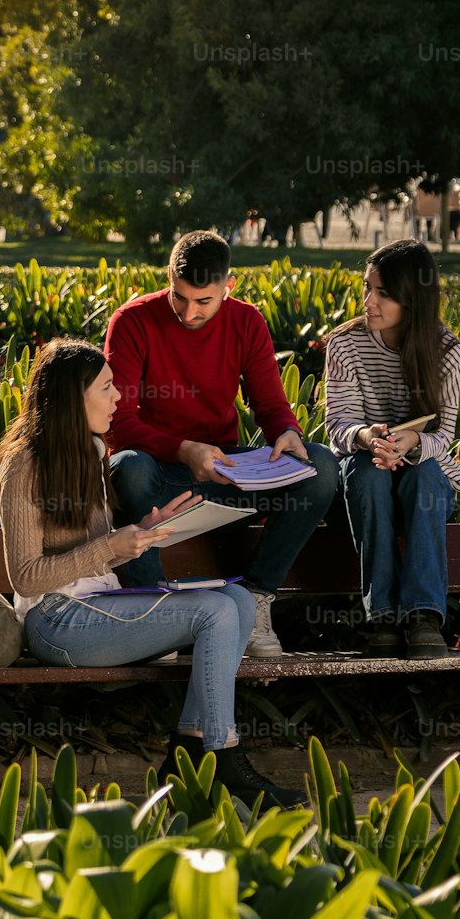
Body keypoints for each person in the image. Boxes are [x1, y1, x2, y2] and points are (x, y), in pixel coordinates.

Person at [0, 337, 305, 808]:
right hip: (54, 622)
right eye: (107, 388)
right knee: (216, 612)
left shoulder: (91, 451)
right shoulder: (23, 466)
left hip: (98, 606)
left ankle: (188, 752)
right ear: (74, 397)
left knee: (236, 601)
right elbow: (26, 579)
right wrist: (111, 545)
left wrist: (143, 533)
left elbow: (98, 556)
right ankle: (224, 759)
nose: (119, 398)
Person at [106, 229, 339, 657]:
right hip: (158, 477)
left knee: (321, 466)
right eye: (180, 297)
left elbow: (270, 406)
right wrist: (181, 449)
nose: (188, 312)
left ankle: (255, 598)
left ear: (228, 287)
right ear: (169, 279)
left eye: (203, 302)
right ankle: (153, 611)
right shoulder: (133, 320)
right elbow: (117, 424)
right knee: (128, 466)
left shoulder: (247, 321)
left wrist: (286, 431)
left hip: (223, 476)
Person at [324, 238, 460, 659]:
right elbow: (338, 426)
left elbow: (445, 435)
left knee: (422, 473)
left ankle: (424, 617)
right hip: (364, 471)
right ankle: (381, 616)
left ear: (412, 299)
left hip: (425, 475)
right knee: (366, 471)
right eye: (368, 287)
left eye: (383, 293)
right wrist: (369, 438)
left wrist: (413, 442)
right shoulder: (344, 345)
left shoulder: (445, 351)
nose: (369, 300)